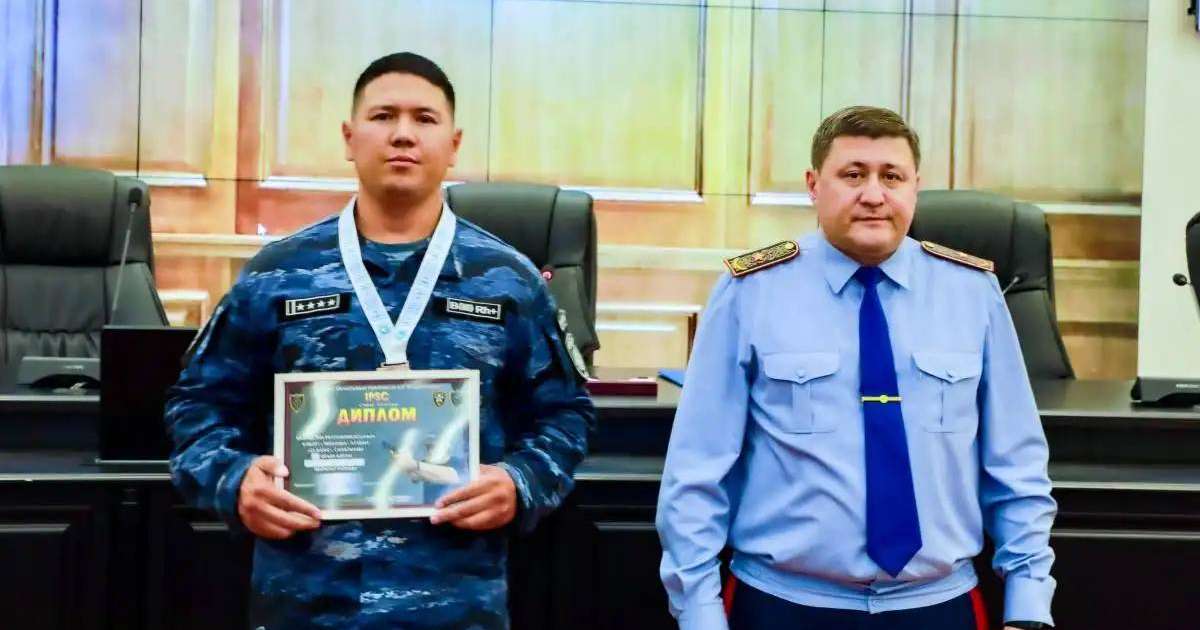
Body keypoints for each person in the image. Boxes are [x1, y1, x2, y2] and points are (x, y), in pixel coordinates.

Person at [165, 52, 594, 629]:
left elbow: (566, 413)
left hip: (455, 605)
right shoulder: (277, 273)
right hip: (305, 602)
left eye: (424, 119)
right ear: (349, 137)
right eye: (383, 116)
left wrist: (521, 483)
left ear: (454, 142)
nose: (402, 135)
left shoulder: (509, 280)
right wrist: (234, 480)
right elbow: (196, 405)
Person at [656, 105, 1056, 630]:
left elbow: (1016, 464)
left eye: (892, 176)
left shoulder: (972, 292)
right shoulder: (750, 291)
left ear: (916, 187)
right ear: (813, 185)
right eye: (852, 175)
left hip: (936, 606)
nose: (873, 194)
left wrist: (1028, 605)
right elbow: (697, 471)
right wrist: (700, 613)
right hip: (785, 606)